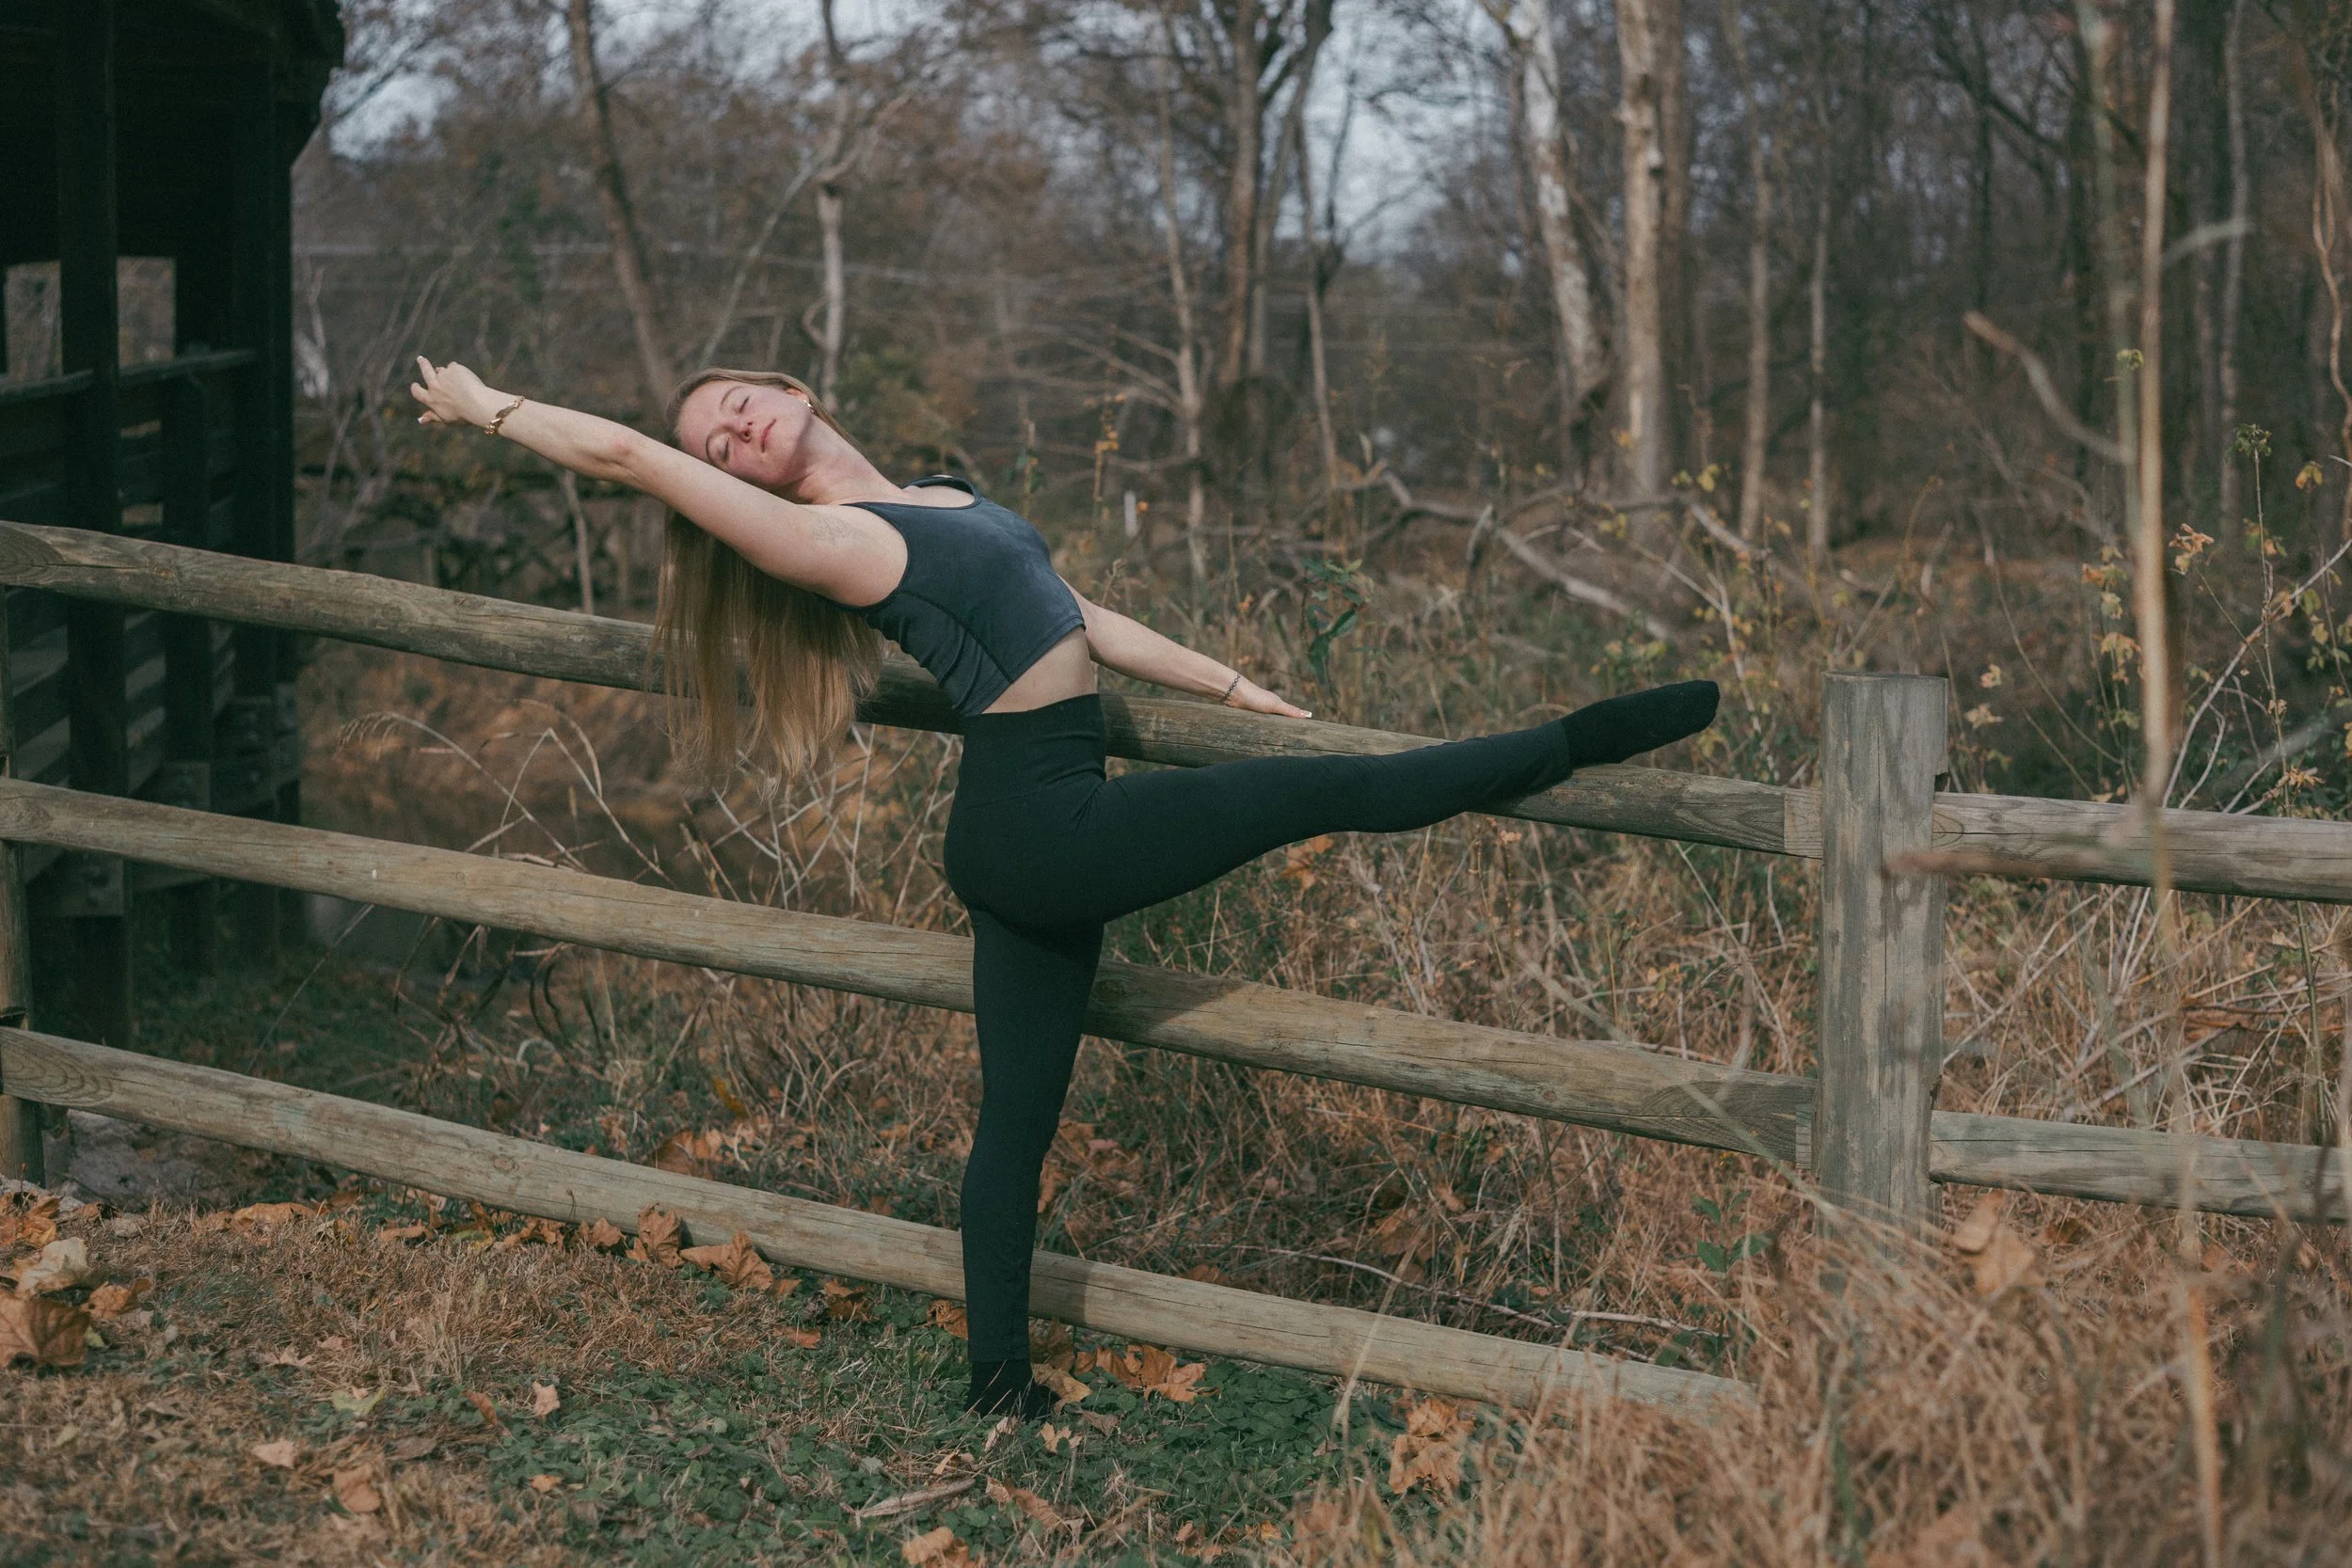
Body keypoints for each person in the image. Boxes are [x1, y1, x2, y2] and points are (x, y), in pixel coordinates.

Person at [407, 357, 1720, 1418]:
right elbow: (629, 456)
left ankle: (997, 1385)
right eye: (717, 442)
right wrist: (488, 409)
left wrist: (1229, 685)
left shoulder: (942, 497)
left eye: (740, 402)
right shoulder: (828, 540)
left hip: (1024, 836)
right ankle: (1580, 738)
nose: (733, 430)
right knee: (1331, 790)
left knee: (1015, 1124)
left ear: (793, 388)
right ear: (730, 477)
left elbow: (1072, 610)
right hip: (1048, 825)